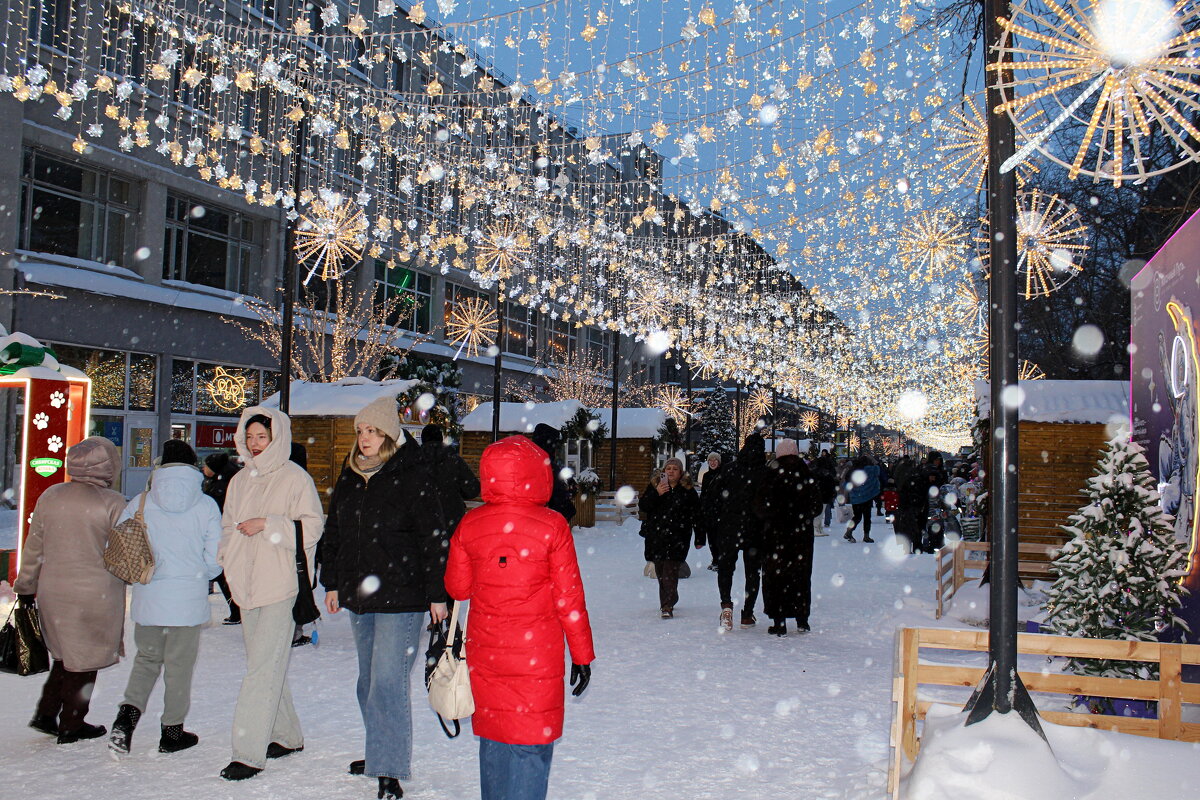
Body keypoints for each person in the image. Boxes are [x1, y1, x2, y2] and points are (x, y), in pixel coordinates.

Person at [444, 435, 595, 800]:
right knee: (530, 744)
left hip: (487, 650)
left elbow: (457, 588)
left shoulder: (470, 523)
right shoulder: (552, 526)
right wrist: (581, 655)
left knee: (494, 739)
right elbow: (569, 598)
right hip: (536, 656)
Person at [320, 398, 449, 800]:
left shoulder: (412, 475)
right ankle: (381, 751)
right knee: (368, 683)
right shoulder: (351, 475)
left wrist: (437, 595)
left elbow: (433, 538)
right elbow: (335, 531)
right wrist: (332, 582)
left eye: (373, 431)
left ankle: (389, 768)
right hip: (360, 595)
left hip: (403, 596)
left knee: (388, 683)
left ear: (389, 435)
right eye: (361, 431)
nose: (365, 438)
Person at [217, 407, 324, 782]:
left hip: (280, 585)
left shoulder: (295, 478)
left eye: (261, 437)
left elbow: (313, 528)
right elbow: (228, 526)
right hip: (246, 586)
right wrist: (228, 561)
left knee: (261, 668)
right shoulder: (239, 480)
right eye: (249, 437)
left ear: (277, 438)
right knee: (265, 663)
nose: (254, 444)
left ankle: (247, 752)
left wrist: (269, 525)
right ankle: (287, 735)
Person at [14, 437, 127, 744]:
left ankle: (46, 713)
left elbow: (34, 546)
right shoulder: (113, 502)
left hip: (53, 589)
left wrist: (26, 585)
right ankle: (72, 724)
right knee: (84, 660)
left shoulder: (52, 496)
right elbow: (126, 553)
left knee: (66, 655)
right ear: (109, 465)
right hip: (94, 593)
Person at [109, 451, 222, 755]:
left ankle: (125, 720)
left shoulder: (141, 501)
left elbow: (117, 545)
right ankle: (172, 732)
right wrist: (197, 574)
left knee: (147, 660)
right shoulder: (205, 505)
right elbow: (215, 558)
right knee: (179, 667)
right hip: (187, 600)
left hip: (149, 596)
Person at [754, 439, 823, 636]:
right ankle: (802, 619)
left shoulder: (771, 473)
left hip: (776, 535)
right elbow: (817, 505)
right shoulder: (806, 473)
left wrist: (773, 516)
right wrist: (802, 516)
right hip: (801, 536)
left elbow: (760, 505)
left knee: (776, 577)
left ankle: (779, 621)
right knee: (801, 576)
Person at [712, 432, 769, 628]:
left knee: (726, 568)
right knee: (752, 573)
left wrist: (720, 518)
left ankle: (726, 606)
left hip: (729, 526)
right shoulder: (765, 473)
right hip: (755, 529)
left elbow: (714, 496)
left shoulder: (729, 469)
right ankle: (747, 613)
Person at [638, 458, 701, 620]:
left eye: (675, 469)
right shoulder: (655, 486)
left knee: (670, 570)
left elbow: (697, 514)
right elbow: (644, 506)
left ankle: (666, 605)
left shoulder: (687, 490)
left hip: (678, 537)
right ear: (664, 471)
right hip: (657, 536)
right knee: (660, 571)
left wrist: (700, 537)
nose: (671, 471)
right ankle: (671, 597)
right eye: (668, 468)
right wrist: (657, 493)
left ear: (680, 473)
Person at [420, 422, 481, 536]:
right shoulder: (454, 459)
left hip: (421, 523)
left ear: (423, 440)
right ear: (441, 439)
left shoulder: (413, 461)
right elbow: (472, 489)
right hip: (452, 522)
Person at [203, 451, 242, 624]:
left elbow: (217, 509)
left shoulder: (222, 485)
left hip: (223, 533)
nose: (203, 469)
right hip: (226, 532)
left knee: (222, 572)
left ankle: (236, 610)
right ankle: (237, 609)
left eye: (206, 466)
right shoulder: (227, 479)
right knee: (224, 572)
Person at [529, 423, 577, 523]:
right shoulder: (546, 464)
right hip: (544, 518)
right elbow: (561, 502)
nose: (555, 449)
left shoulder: (532, 459)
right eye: (554, 445)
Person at [844, 455, 881, 544]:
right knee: (867, 517)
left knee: (857, 516)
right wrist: (873, 459)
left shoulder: (852, 470)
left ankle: (849, 530)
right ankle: (866, 536)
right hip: (867, 497)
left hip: (855, 498)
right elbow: (878, 469)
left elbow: (847, 480)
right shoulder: (869, 470)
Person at [698, 452, 725, 569]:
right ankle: (715, 559)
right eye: (710, 460)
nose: (713, 462)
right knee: (711, 538)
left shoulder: (723, 475)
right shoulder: (706, 476)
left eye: (715, 460)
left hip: (720, 512)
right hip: (709, 512)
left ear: (719, 462)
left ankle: (720, 561)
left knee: (719, 538)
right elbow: (704, 493)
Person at [811, 451, 838, 536]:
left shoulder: (816, 472)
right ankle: (817, 528)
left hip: (819, 494)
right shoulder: (827, 473)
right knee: (820, 512)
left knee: (819, 512)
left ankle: (818, 528)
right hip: (825, 494)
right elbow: (832, 481)